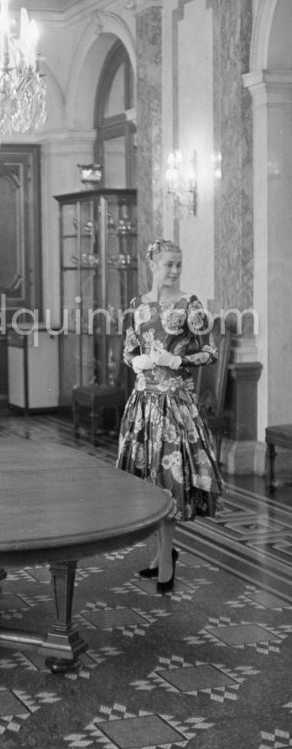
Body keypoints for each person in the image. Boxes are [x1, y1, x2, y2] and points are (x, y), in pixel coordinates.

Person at [116, 238, 224, 593]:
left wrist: (177, 361)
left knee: (169, 483)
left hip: (175, 405)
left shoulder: (190, 305)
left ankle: (165, 565)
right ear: (153, 266)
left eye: (179, 264)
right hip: (143, 405)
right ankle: (163, 554)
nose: (175, 270)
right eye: (168, 264)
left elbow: (210, 352)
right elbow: (128, 350)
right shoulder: (137, 305)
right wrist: (136, 362)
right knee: (148, 483)